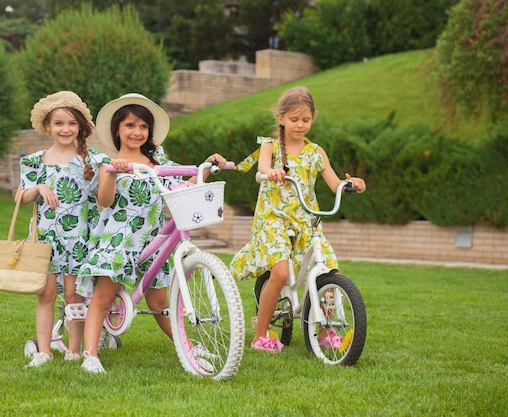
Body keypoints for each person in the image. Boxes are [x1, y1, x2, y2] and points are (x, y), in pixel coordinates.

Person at [76, 93, 226, 373]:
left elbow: (180, 188)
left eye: (143, 126)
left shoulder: (158, 161)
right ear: (117, 129)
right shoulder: (110, 161)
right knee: (103, 297)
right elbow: (104, 201)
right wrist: (112, 172)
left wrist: (206, 168)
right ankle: (90, 356)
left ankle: (190, 348)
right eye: (130, 125)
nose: (137, 132)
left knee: (160, 303)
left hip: (152, 240)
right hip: (119, 239)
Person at [230, 86, 366, 353]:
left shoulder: (316, 151)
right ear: (281, 118)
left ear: (313, 118)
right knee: (280, 272)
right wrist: (272, 173)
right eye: (294, 119)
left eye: (306, 119)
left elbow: (334, 182)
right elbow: (262, 168)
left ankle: (326, 332)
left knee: (327, 270)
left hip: (306, 220)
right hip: (273, 218)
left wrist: (352, 185)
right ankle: (260, 335)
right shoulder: (270, 146)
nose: (300, 125)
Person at [19, 91, 108, 367]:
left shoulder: (92, 159)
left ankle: (74, 349)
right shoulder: (36, 160)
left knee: (74, 294)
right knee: (45, 293)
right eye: (59, 123)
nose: (65, 129)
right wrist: (38, 187)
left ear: (80, 126)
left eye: (71, 123)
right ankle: (44, 351)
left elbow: (105, 195)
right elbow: (20, 197)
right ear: (48, 126)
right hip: (45, 237)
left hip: (78, 238)